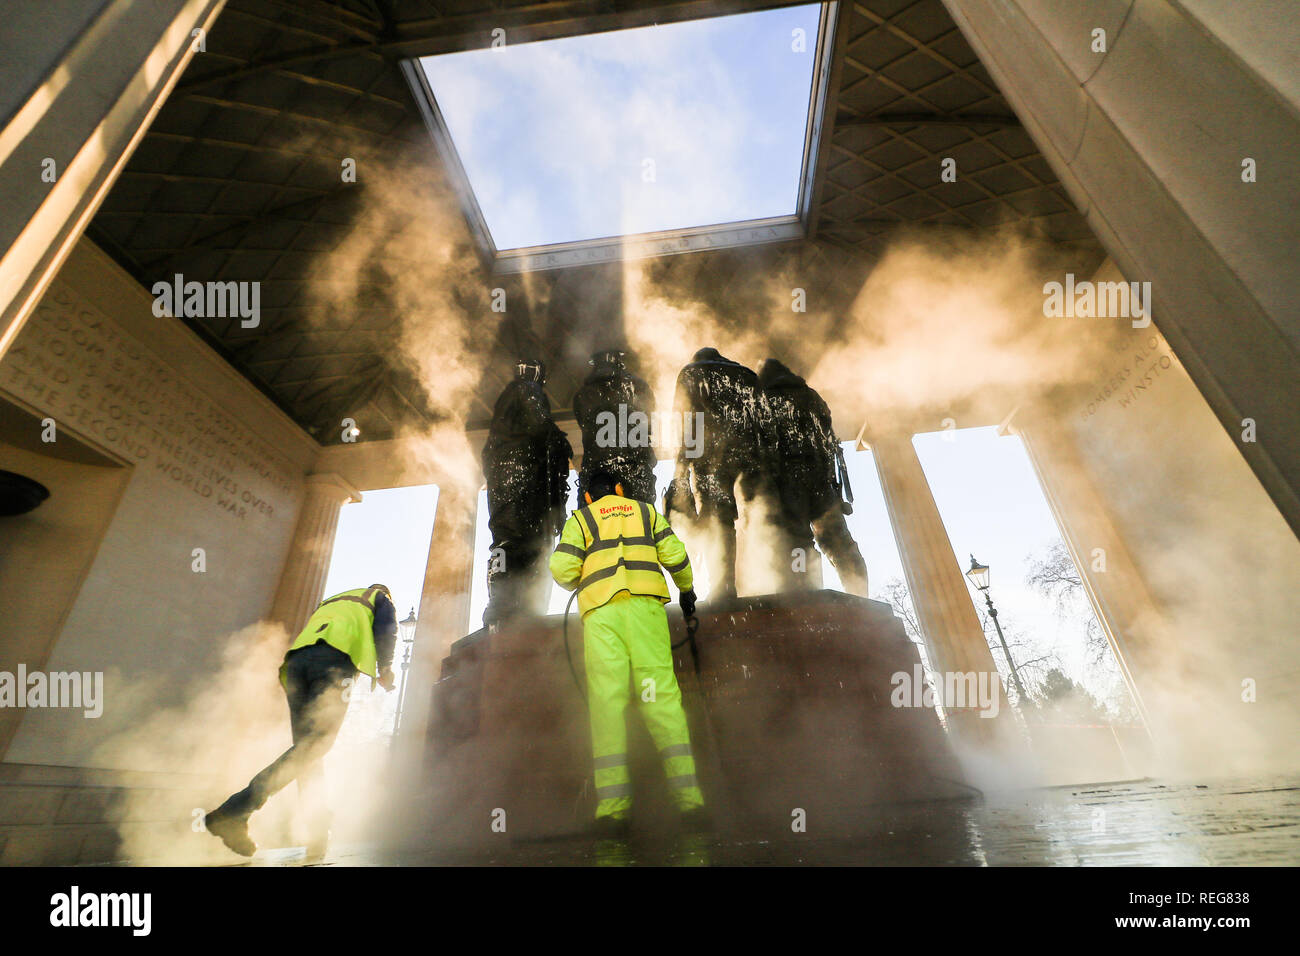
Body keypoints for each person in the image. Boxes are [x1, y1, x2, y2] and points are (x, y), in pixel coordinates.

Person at [549, 469, 705, 835]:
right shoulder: (645, 511)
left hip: (603, 615)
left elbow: (561, 569)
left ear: (588, 496)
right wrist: (686, 591)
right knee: (661, 698)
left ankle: (614, 811)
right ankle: (690, 804)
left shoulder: (582, 518)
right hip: (646, 610)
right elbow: (677, 556)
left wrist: (585, 575)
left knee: (608, 702)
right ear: (619, 490)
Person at [204, 584, 398, 858]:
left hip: (296, 665)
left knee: (307, 753)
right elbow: (387, 627)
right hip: (335, 661)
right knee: (316, 746)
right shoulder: (379, 597)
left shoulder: (336, 599)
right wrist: (386, 667)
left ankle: (317, 835)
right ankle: (236, 809)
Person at [757, 358, 868, 596]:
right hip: (821, 481)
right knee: (840, 543)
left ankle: (806, 597)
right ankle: (860, 595)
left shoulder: (763, 400)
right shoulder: (812, 397)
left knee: (797, 543)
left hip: (787, 484)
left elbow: (762, 446)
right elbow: (828, 437)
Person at [664, 347, 769, 598]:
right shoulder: (747, 375)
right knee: (757, 518)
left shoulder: (691, 372)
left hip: (709, 457)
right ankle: (762, 582)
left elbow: (685, 421)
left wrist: (681, 469)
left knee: (717, 520)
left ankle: (723, 588)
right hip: (748, 458)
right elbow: (765, 422)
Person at [482, 358, 572, 628]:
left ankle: (498, 606)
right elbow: (545, 434)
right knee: (535, 552)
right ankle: (530, 610)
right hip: (529, 492)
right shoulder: (530, 392)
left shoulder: (501, 412)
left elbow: (487, 457)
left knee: (503, 544)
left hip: (502, 493)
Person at [572, 349, 657, 504]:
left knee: (597, 525)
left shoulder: (582, 395)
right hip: (635, 472)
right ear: (619, 361)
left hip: (597, 477)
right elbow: (649, 419)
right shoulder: (638, 387)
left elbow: (583, 422)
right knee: (638, 524)